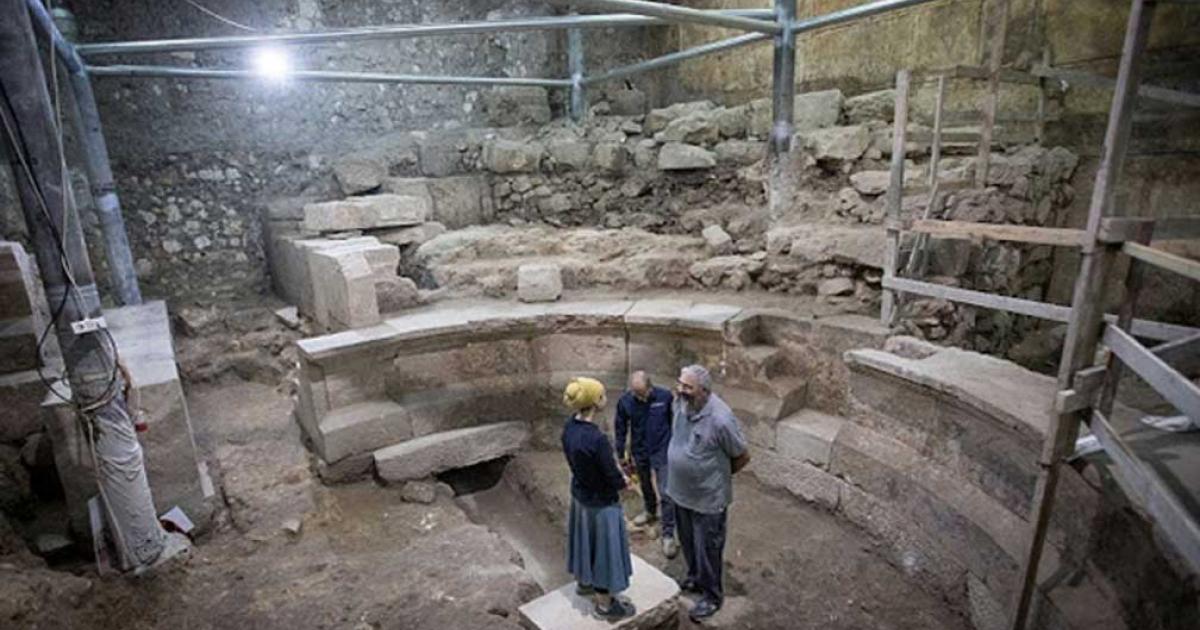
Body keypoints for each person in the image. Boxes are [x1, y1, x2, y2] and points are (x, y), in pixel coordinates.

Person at [665, 364, 751, 622]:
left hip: (708, 499)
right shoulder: (680, 404)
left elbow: (742, 456)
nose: (681, 390)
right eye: (680, 383)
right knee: (689, 542)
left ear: (704, 391)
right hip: (680, 492)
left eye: (687, 387)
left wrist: (714, 480)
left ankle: (713, 595)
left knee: (709, 548)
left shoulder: (721, 419)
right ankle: (694, 577)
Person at [561, 377, 637, 621]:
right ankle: (604, 605)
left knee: (584, 543)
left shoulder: (569, 428)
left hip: (580, 495)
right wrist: (625, 481)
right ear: (595, 401)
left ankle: (584, 583)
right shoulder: (597, 439)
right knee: (604, 550)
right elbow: (611, 475)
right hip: (601, 503)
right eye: (602, 395)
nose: (605, 398)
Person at [613, 370, 677, 558]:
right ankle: (650, 511)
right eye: (635, 393)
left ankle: (668, 533)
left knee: (666, 492)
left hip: (663, 450)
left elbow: (675, 422)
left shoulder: (664, 397)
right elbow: (620, 428)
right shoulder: (625, 401)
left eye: (642, 393)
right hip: (640, 451)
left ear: (650, 387)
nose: (639, 397)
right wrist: (621, 454)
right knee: (646, 484)